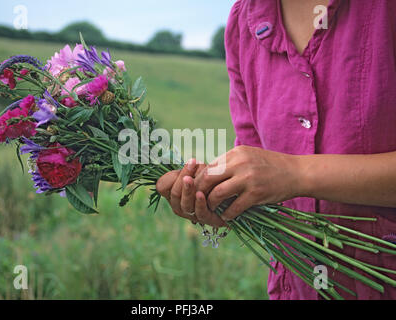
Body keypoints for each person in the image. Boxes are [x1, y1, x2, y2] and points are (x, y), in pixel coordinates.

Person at [156, 0, 396, 300]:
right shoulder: (245, 20)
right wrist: (219, 193)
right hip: (296, 289)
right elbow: (262, 175)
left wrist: (296, 174)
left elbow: (284, 174)